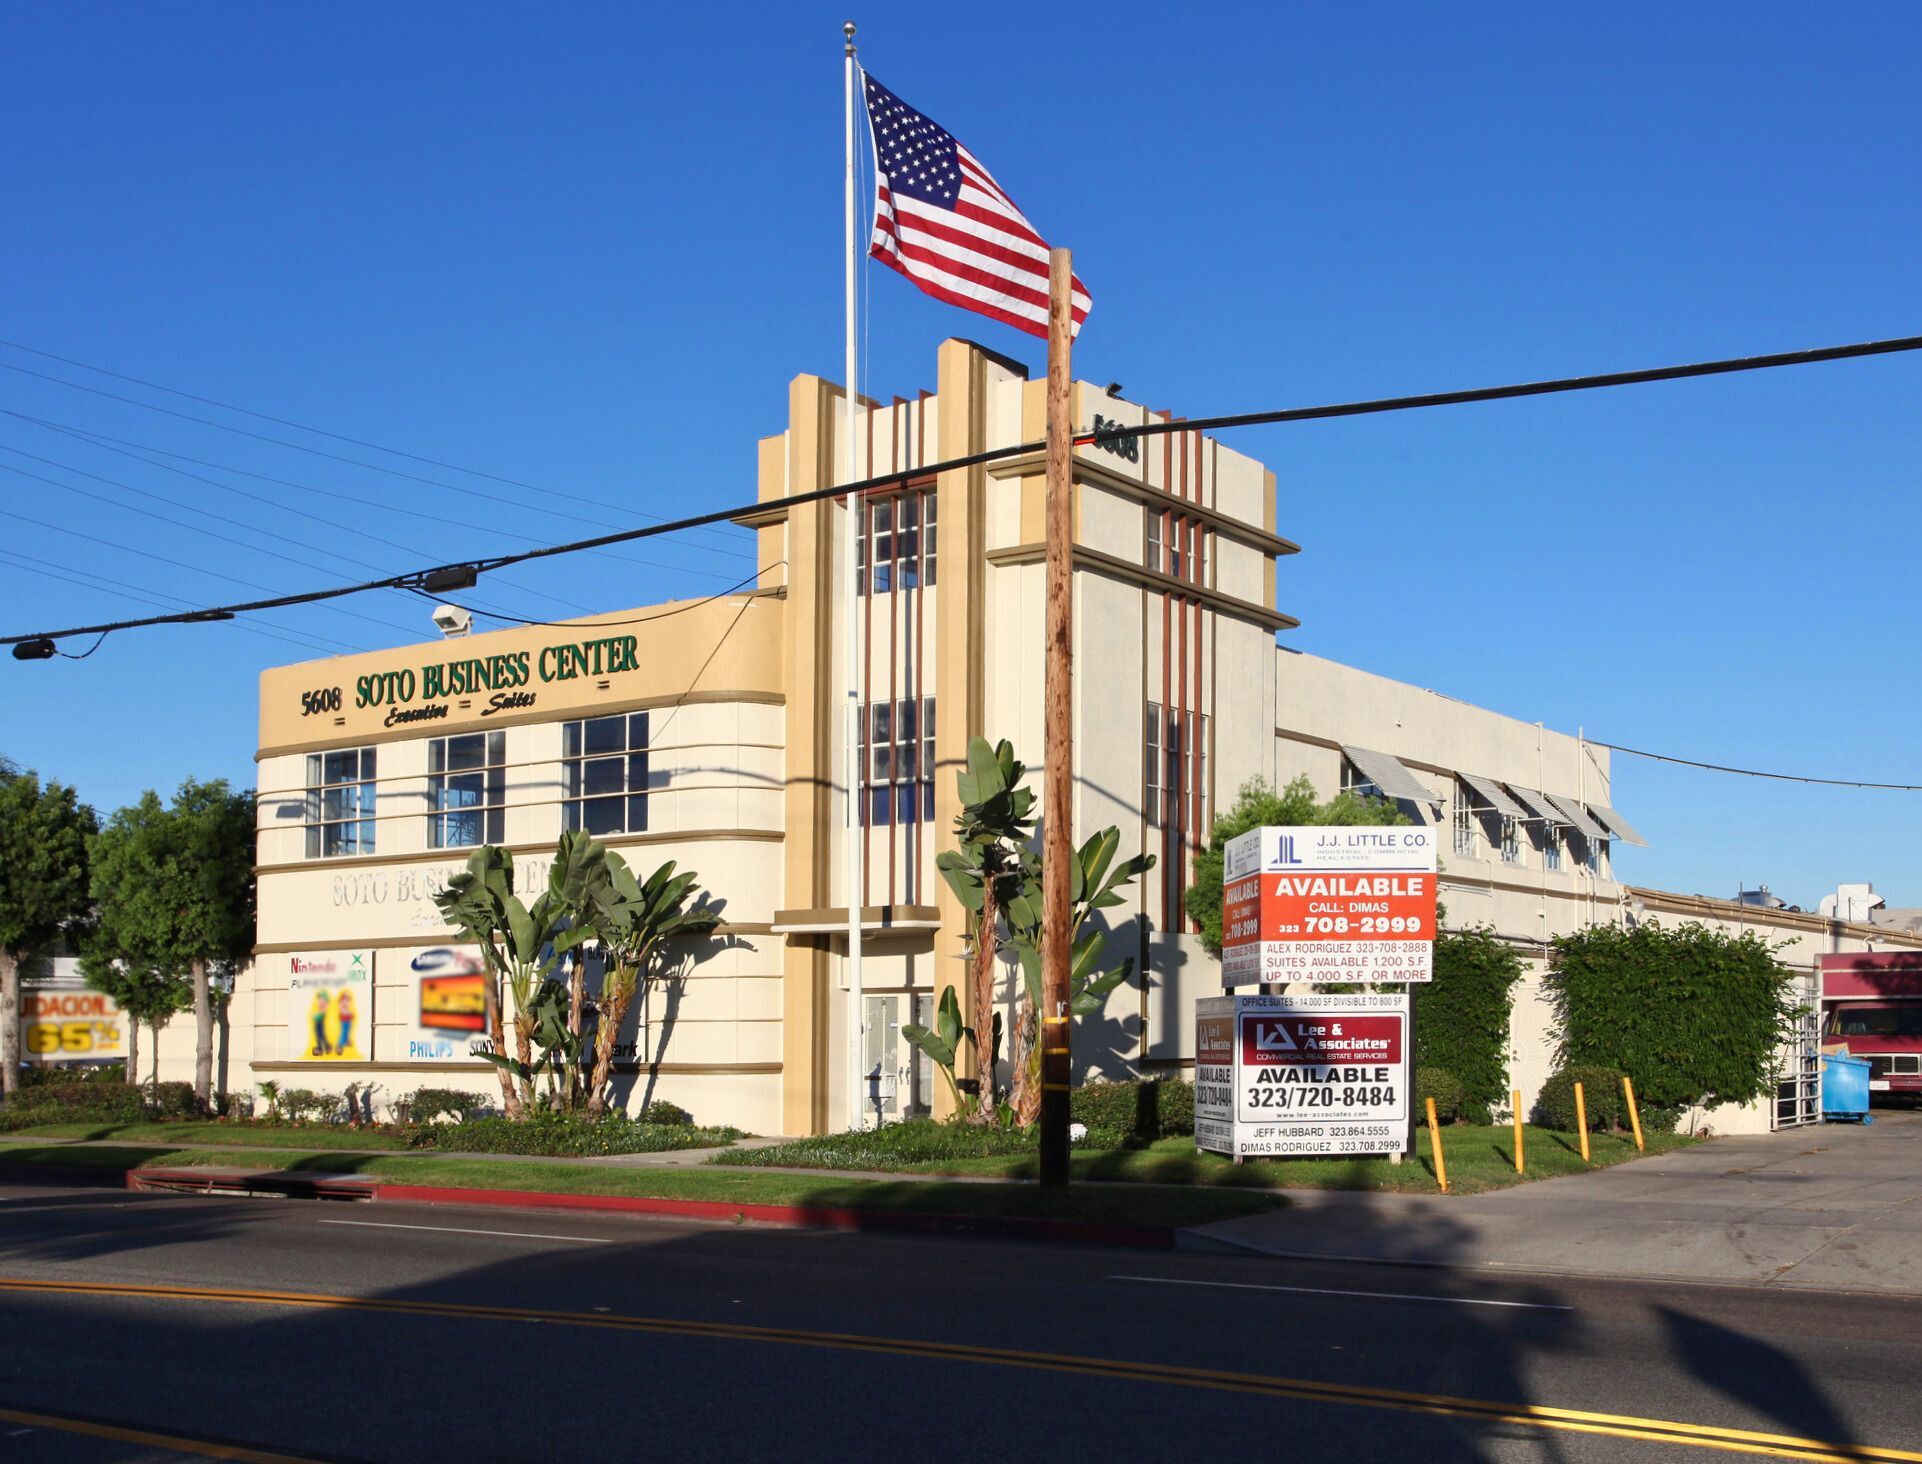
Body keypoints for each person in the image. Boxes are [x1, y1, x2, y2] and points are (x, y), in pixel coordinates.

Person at [335, 989, 357, 1058]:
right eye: (346, 999)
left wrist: (350, 1014)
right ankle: (340, 1044)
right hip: (344, 1018)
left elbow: (347, 1010)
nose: (347, 1002)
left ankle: (346, 1041)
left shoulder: (345, 1005)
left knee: (347, 1030)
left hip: (347, 1019)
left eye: (348, 1000)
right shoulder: (342, 1004)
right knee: (344, 1031)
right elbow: (344, 1011)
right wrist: (349, 1014)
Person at [309, 991, 332, 1058]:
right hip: (319, 1021)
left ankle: (325, 1047)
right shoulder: (321, 1007)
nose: (319, 1002)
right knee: (319, 1034)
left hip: (320, 1020)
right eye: (319, 1000)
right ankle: (323, 1047)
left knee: (320, 1034)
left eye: (321, 1000)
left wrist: (314, 1016)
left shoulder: (324, 1008)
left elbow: (320, 1014)